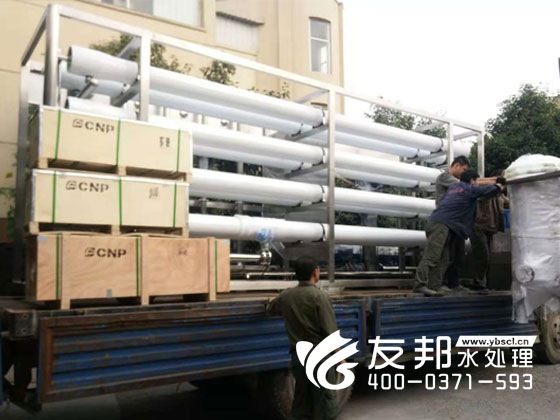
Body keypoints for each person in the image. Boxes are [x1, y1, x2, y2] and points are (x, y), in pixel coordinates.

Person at [267, 256, 339, 420]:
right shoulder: (320, 297)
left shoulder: (286, 296)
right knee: (324, 404)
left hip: (299, 358)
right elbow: (330, 332)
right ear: (315, 272)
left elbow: (271, 309)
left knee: (301, 402)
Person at [413, 169, 504, 296]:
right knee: (432, 256)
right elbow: (488, 191)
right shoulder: (469, 189)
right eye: (476, 181)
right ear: (472, 180)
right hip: (441, 224)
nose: (476, 183)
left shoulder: (455, 188)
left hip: (440, 223)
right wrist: (499, 184)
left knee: (443, 258)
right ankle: (419, 285)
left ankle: (434, 287)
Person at [470, 172, 508, 293]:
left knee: (488, 257)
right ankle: (479, 284)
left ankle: (483, 284)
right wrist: (497, 182)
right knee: (482, 255)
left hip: (490, 228)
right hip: (479, 226)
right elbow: (479, 183)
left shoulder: (499, 195)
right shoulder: (484, 189)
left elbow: (508, 203)